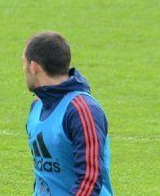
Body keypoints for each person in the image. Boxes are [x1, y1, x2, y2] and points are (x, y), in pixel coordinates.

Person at [23, 32, 113, 196]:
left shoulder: (82, 110)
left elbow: (89, 180)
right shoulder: (37, 106)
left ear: (34, 67)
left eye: (24, 63)